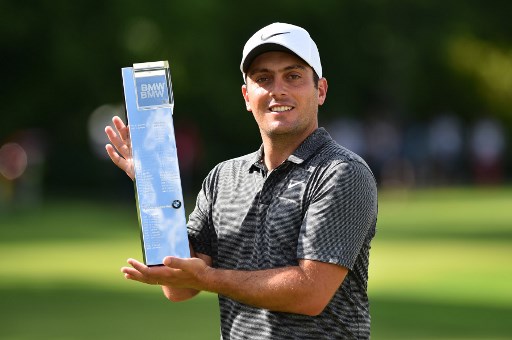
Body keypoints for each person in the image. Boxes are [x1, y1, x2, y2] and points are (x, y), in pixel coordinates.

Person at [105, 22, 378, 339]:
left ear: (320, 90)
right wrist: (152, 182)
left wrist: (208, 278)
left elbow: (309, 293)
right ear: (247, 96)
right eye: (264, 78)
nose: (277, 90)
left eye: (293, 76)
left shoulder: (341, 171)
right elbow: (178, 286)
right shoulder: (223, 177)